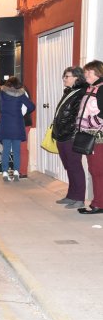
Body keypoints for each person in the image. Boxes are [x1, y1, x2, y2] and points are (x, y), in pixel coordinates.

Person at [52, 66, 87, 209]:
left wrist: (70, 131)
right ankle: (71, 195)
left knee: (75, 166)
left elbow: (77, 115)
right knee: (69, 167)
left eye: (67, 76)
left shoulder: (81, 92)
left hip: (71, 135)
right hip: (62, 134)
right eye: (64, 76)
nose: (64, 79)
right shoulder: (70, 91)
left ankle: (79, 198)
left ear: (76, 78)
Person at [77, 60, 103, 214]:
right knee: (94, 169)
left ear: (98, 73)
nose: (86, 74)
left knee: (97, 170)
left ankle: (98, 204)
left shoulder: (101, 89)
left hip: (98, 136)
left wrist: (90, 123)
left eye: (89, 72)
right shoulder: (91, 88)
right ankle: (97, 202)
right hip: (90, 135)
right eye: (85, 72)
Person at [0, 77, 35, 182]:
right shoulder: (21, 95)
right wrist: (22, 112)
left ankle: (5, 172)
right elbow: (31, 106)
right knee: (17, 150)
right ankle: (16, 172)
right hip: (17, 124)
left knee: (6, 150)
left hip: (5, 125)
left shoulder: (2, 94)